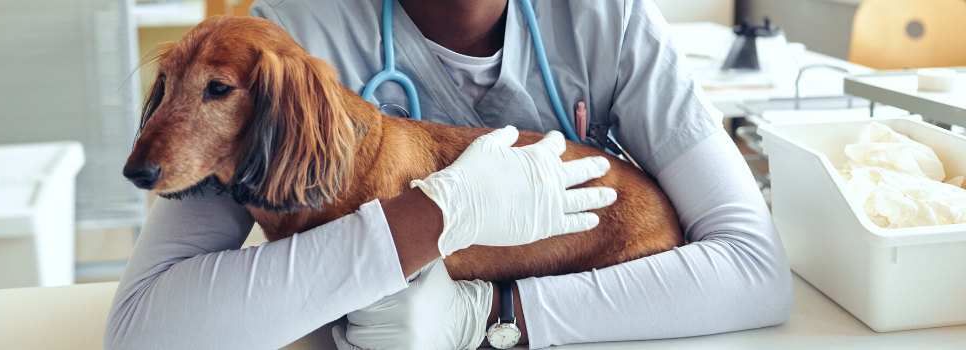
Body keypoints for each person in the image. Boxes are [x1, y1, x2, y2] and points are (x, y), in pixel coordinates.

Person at [246, 0, 793, 349]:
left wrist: (486, 316)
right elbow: (160, 309)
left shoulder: (610, 17)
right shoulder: (284, 37)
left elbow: (754, 276)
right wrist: (430, 217)